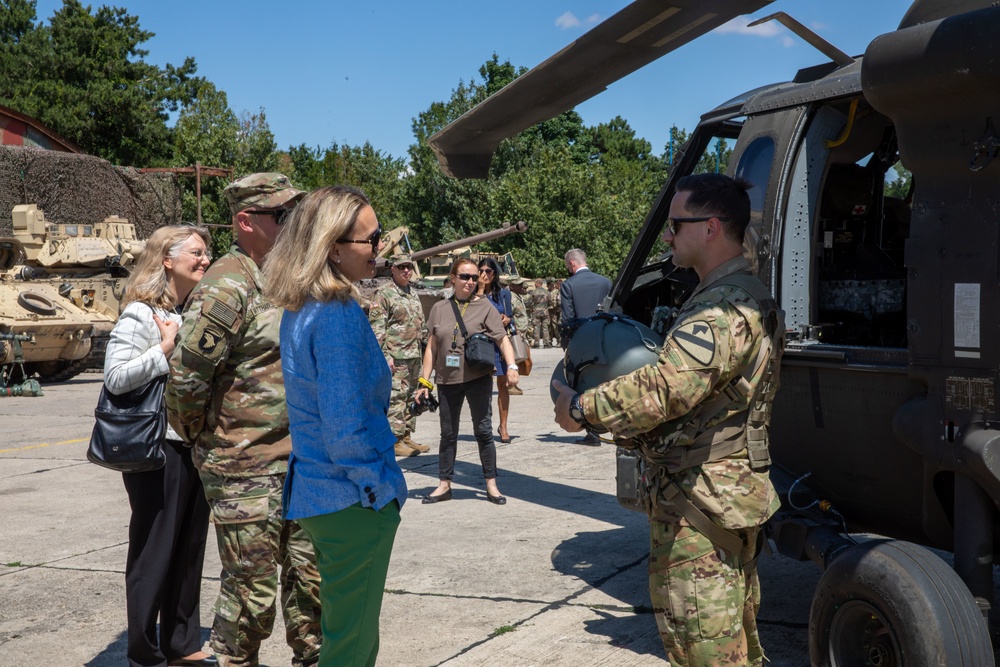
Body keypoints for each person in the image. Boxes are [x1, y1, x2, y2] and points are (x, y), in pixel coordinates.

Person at [553, 174, 783, 667]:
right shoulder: (747, 295)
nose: (668, 235)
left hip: (701, 505)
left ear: (711, 227)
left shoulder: (721, 311)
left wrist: (580, 409)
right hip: (728, 494)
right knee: (732, 646)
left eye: (676, 224)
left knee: (705, 651)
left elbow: (665, 388)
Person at [166, 173, 322, 667]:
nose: (294, 224)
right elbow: (187, 381)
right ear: (246, 221)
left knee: (311, 582)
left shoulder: (288, 277)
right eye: (284, 216)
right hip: (244, 468)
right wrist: (211, 444)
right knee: (252, 595)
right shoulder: (228, 285)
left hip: (300, 462)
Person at [262, 185, 406, 667]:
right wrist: (378, 491)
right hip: (351, 501)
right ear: (333, 245)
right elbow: (346, 427)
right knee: (352, 648)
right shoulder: (338, 315)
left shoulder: (302, 308)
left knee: (344, 633)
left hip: (320, 495)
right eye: (371, 239)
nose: (379, 249)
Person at [105, 224, 215, 667]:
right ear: (166, 260)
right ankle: (143, 649)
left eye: (207, 253)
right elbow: (115, 377)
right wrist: (163, 349)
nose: (205, 260)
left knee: (189, 548)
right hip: (157, 449)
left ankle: (181, 642)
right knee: (154, 549)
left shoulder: (194, 310)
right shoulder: (139, 313)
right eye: (196, 252)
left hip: (192, 444)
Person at [416, 257, 518, 505]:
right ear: (453, 278)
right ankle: (444, 484)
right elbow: (431, 346)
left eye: (474, 277)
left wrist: (512, 365)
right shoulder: (439, 308)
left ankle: (491, 484)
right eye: (465, 276)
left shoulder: (485, 307)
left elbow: (502, 339)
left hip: (477, 379)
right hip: (447, 380)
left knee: (483, 431)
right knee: (448, 434)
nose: (471, 281)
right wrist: (424, 382)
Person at [368, 252, 430, 457]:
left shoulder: (412, 293)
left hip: (414, 354)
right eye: (401, 267)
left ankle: (405, 435)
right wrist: (385, 356)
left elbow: (419, 324)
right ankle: (393, 440)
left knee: (412, 396)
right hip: (396, 355)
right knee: (396, 398)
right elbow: (377, 328)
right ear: (392, 269)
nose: (406, 271)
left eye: (409, 267)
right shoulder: (383, 293)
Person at [476, 257, 515, 443]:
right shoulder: (475, 293)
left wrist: (507, 319)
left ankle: (504, 426)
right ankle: (484, 425)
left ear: (495, 273)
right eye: (481, 271)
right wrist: (481, 289)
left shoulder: (504, 294)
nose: (484, 274)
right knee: (483, 387)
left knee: (503, 386)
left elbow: (511, 317)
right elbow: (475, 310)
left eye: (488, 271)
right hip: (482, 345)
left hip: (500, 345)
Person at [559, 249, 611, 348]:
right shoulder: (606, 282)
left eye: (567, 266)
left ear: (572, 263)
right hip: (605, 335)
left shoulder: (568, 284)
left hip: (581, 337)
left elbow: (568, 318)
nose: (568, 269)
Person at [528, 278, 551, 348]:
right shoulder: (547, 292)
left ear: (538, 283)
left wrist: (532, 309)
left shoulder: (533, 292)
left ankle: (537, 343)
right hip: (545, 312)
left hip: (536, 312)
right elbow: (550, 302)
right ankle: (546, 343)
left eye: (535, 283)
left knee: (536, 327)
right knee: (545, 327)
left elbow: (529, 302)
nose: (534, 284)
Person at [547, 279, 562, 347]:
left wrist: (557, 310)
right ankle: (549, 341)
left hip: (555, 312)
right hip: (548, 312)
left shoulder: (557, 292)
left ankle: (559, 340)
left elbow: (559, 302)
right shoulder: (547, 292)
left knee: (555, 326)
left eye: (550, 284)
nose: (549, 286)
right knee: (548, 326)